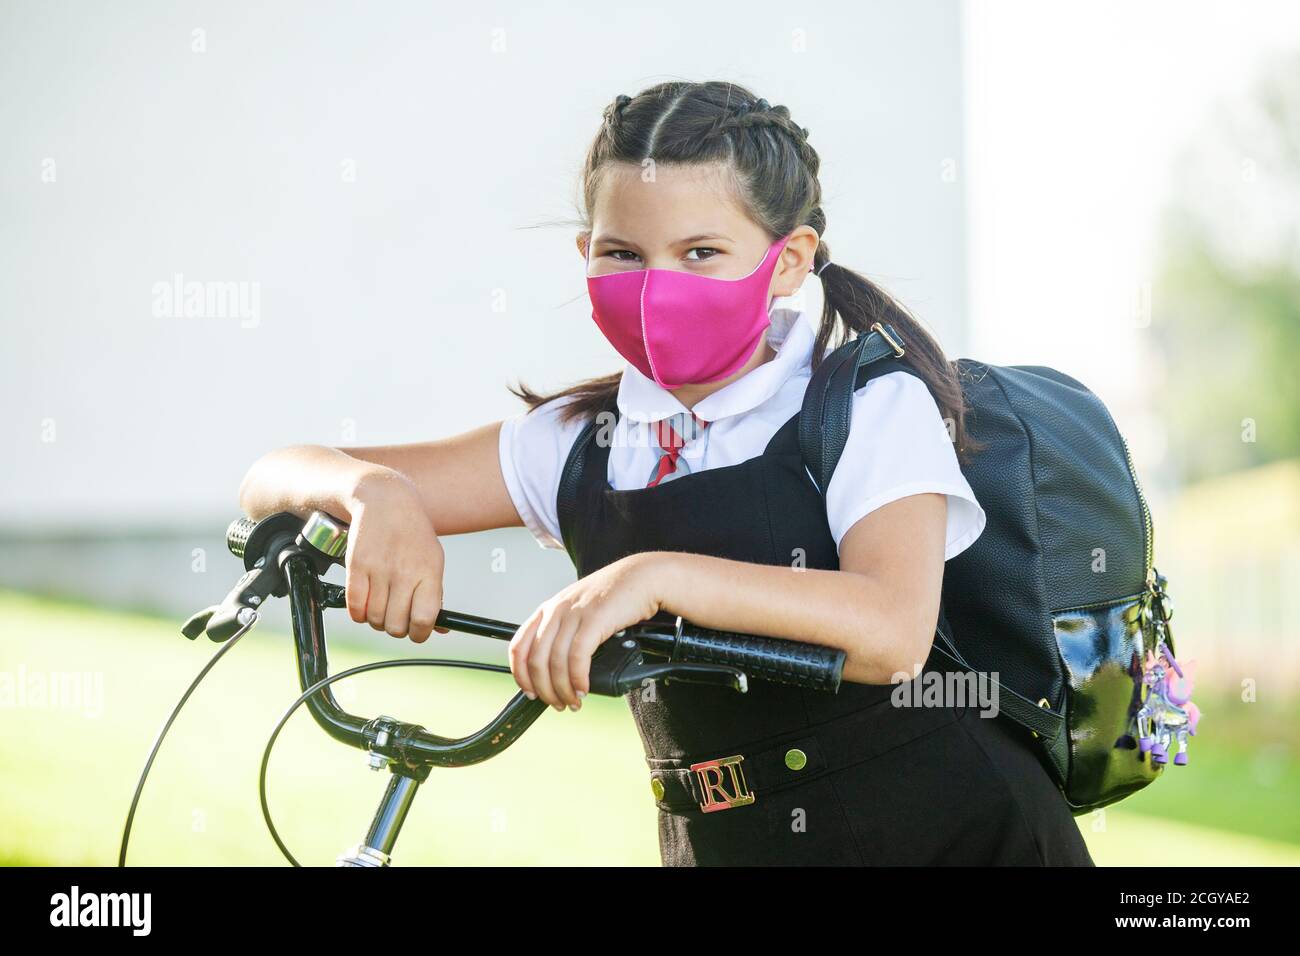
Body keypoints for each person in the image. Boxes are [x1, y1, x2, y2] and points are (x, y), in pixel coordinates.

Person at [238, 80, 1094, 867]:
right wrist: (372, 494)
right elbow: (269, 473)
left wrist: (653, 579)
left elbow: (890, 631)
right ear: (585, 253)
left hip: (954, 836)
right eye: (622, 254)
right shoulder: (580, 439)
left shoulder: (865, 405)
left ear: (788, 260)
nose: (655, 285)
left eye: (700, 253)